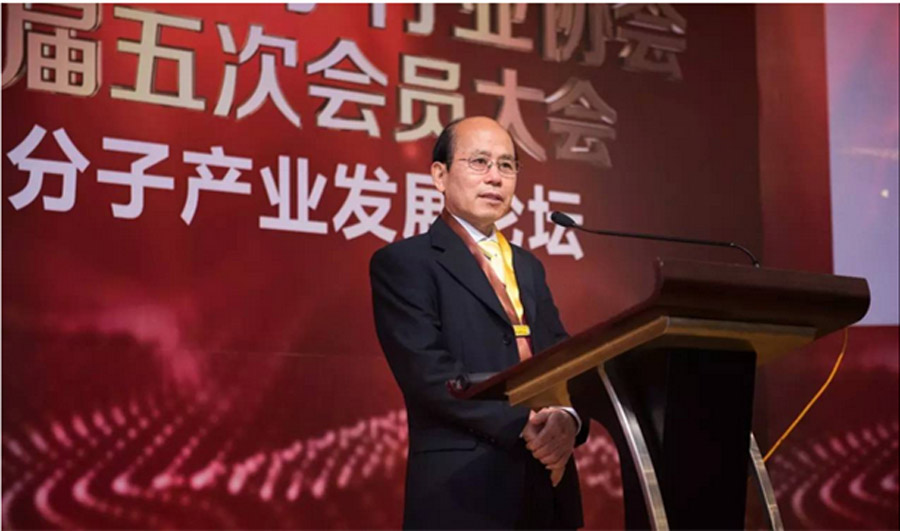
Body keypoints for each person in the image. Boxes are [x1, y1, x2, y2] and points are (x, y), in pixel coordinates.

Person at [370, 116, 589, 529]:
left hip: (545, 483)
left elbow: (563, 357)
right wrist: (523, 424)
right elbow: (428, 374)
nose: (495, 177)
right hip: (463, 492)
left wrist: (567, 418)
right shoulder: (405, 263)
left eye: (506, 165)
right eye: (479, 162)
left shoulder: (528, 266)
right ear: (440, 175)